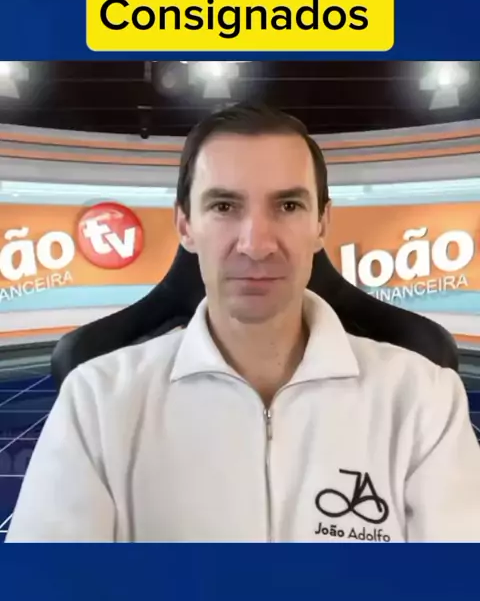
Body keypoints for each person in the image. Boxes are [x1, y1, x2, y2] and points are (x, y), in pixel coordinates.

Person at [6, 104, 480, 543]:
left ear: (321, 224)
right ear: (185, 225)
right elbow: (48, 596)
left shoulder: (424, 400)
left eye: (288, 206)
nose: (256, 245)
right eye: (224, 207)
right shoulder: (95, 402)